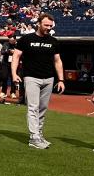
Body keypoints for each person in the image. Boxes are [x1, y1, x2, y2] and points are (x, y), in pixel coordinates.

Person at [11, 13, 65, 149]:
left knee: (43, 108)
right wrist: (14, 74)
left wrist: (61, 79)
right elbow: (16, 56)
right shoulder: (26, 39)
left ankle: (39, 134)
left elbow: (58, 61)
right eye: (46, 25)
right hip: (31, 77)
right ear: (39, 23)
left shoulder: (53, 41)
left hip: (48, 78)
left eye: (50, 26)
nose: (48, 28)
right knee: (33, 107)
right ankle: (34, 137)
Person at [0, 36, 17, 100]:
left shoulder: (17, 45)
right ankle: (3, 92)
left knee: (13, 79)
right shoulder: (5, 44)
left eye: (12, 40)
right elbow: (2, 52)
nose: (10, 41)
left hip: (14, 64)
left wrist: (14, 52)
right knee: (4, 77)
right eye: (9, 40)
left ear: (15, 40)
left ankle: (13, 92)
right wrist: (8, 51)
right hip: (5, 63)